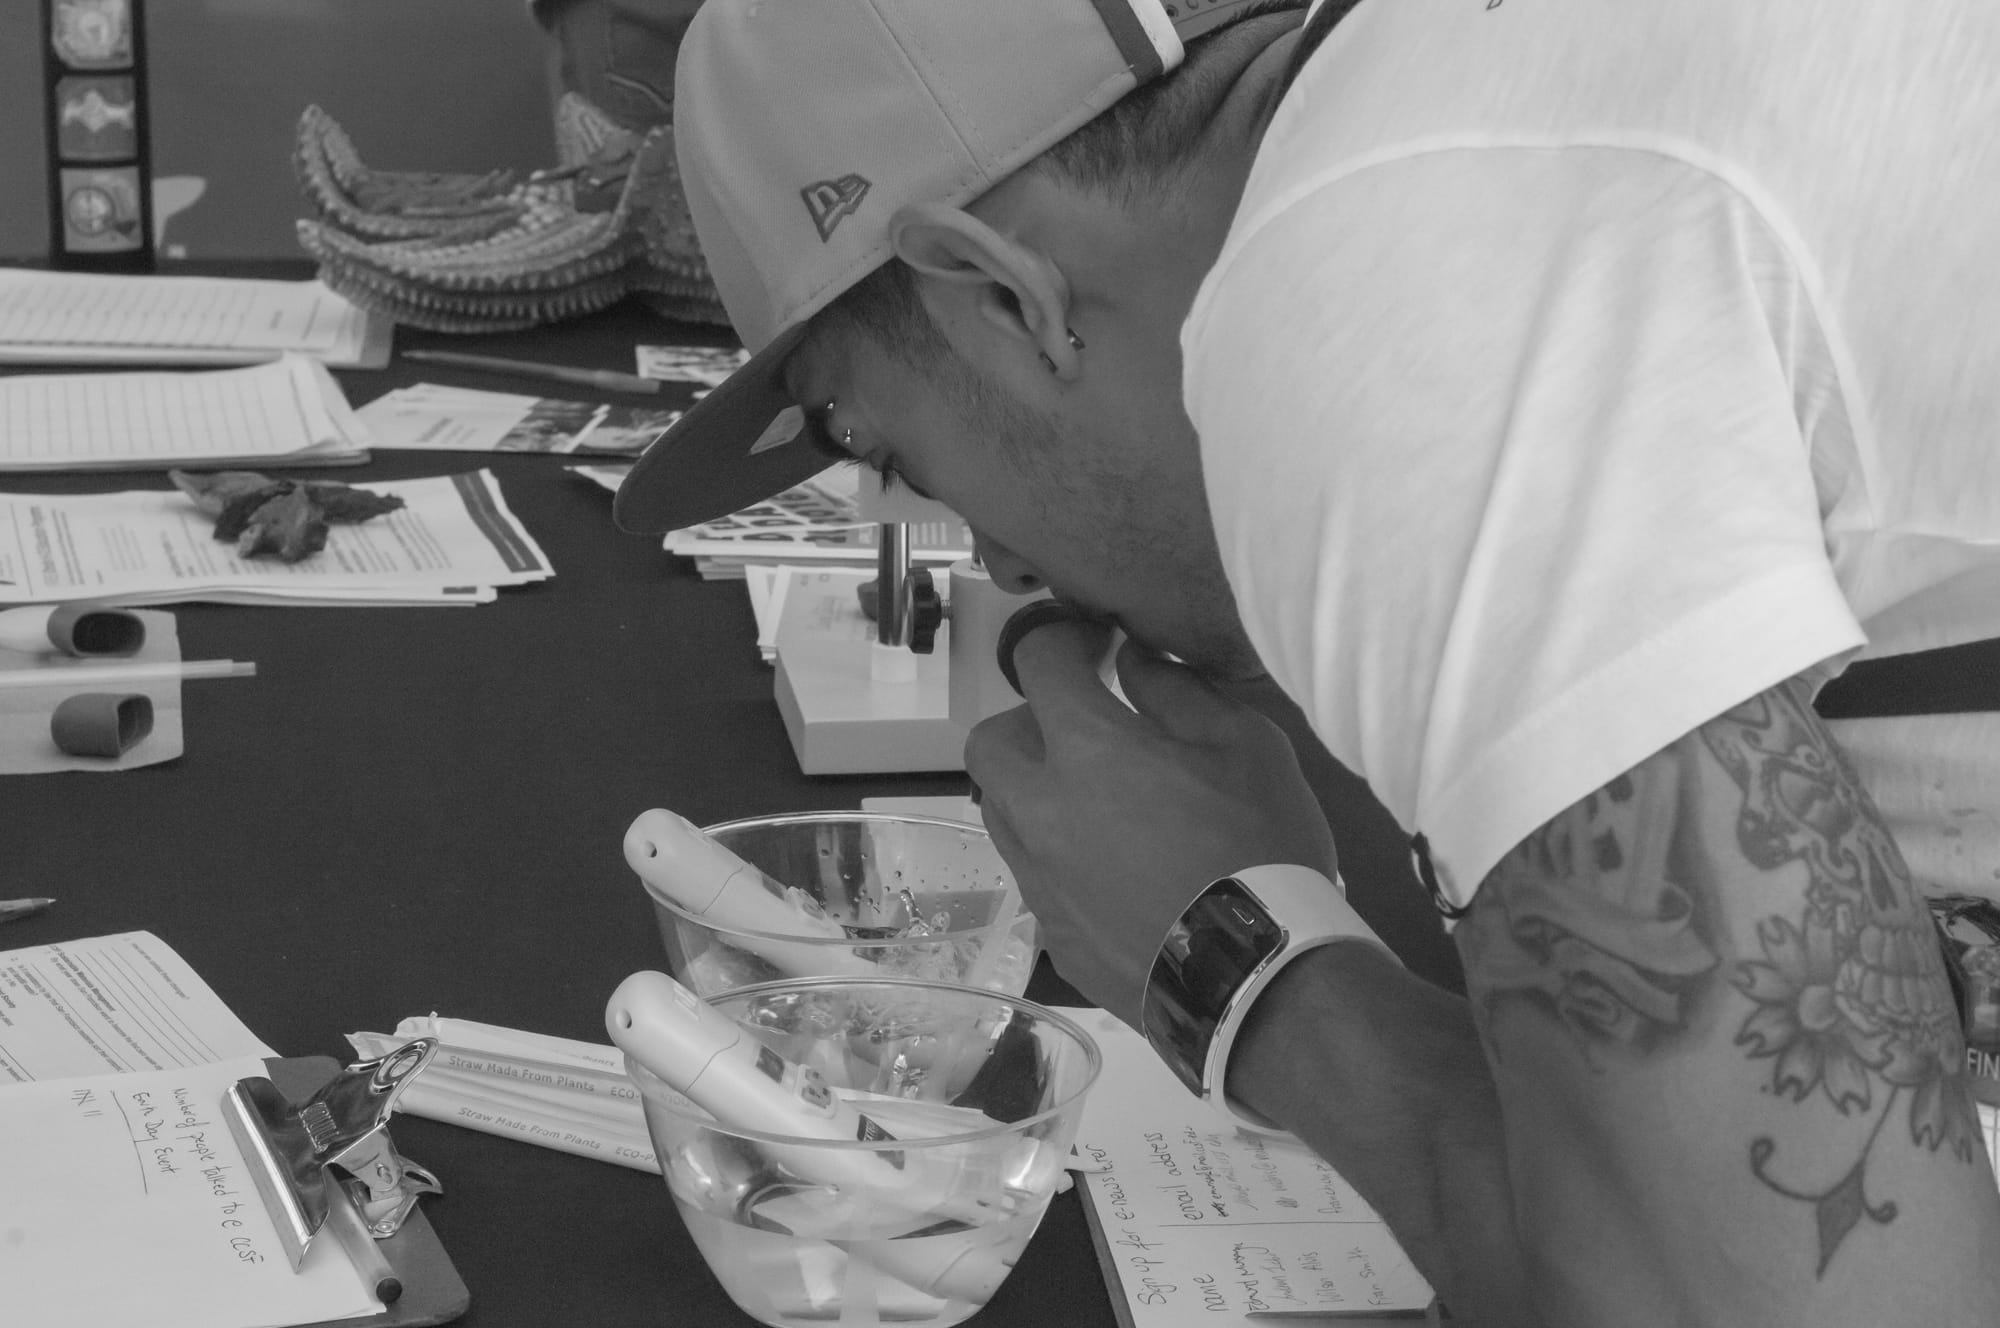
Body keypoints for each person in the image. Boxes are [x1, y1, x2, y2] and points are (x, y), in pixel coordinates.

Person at [610, 0, 2000, 1322]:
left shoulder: (1367, 288)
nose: (998, 567)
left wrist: (1243, 968)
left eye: (886, 451)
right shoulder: (1470, 101)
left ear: (1005, 295)